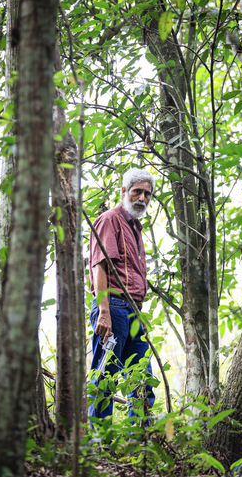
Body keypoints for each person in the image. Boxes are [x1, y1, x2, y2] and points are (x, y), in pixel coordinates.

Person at [88, 167, 156, 423]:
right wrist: (104, 311)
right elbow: (99, 266)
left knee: (141, 376)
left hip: (134, 312)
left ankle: (139, 441)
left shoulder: (135, 227)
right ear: (124, 191)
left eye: (147, 194)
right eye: (137, 191)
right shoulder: (110, 219)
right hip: (113, 308)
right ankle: (99, 440)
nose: (142, 198)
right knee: (106, 372)